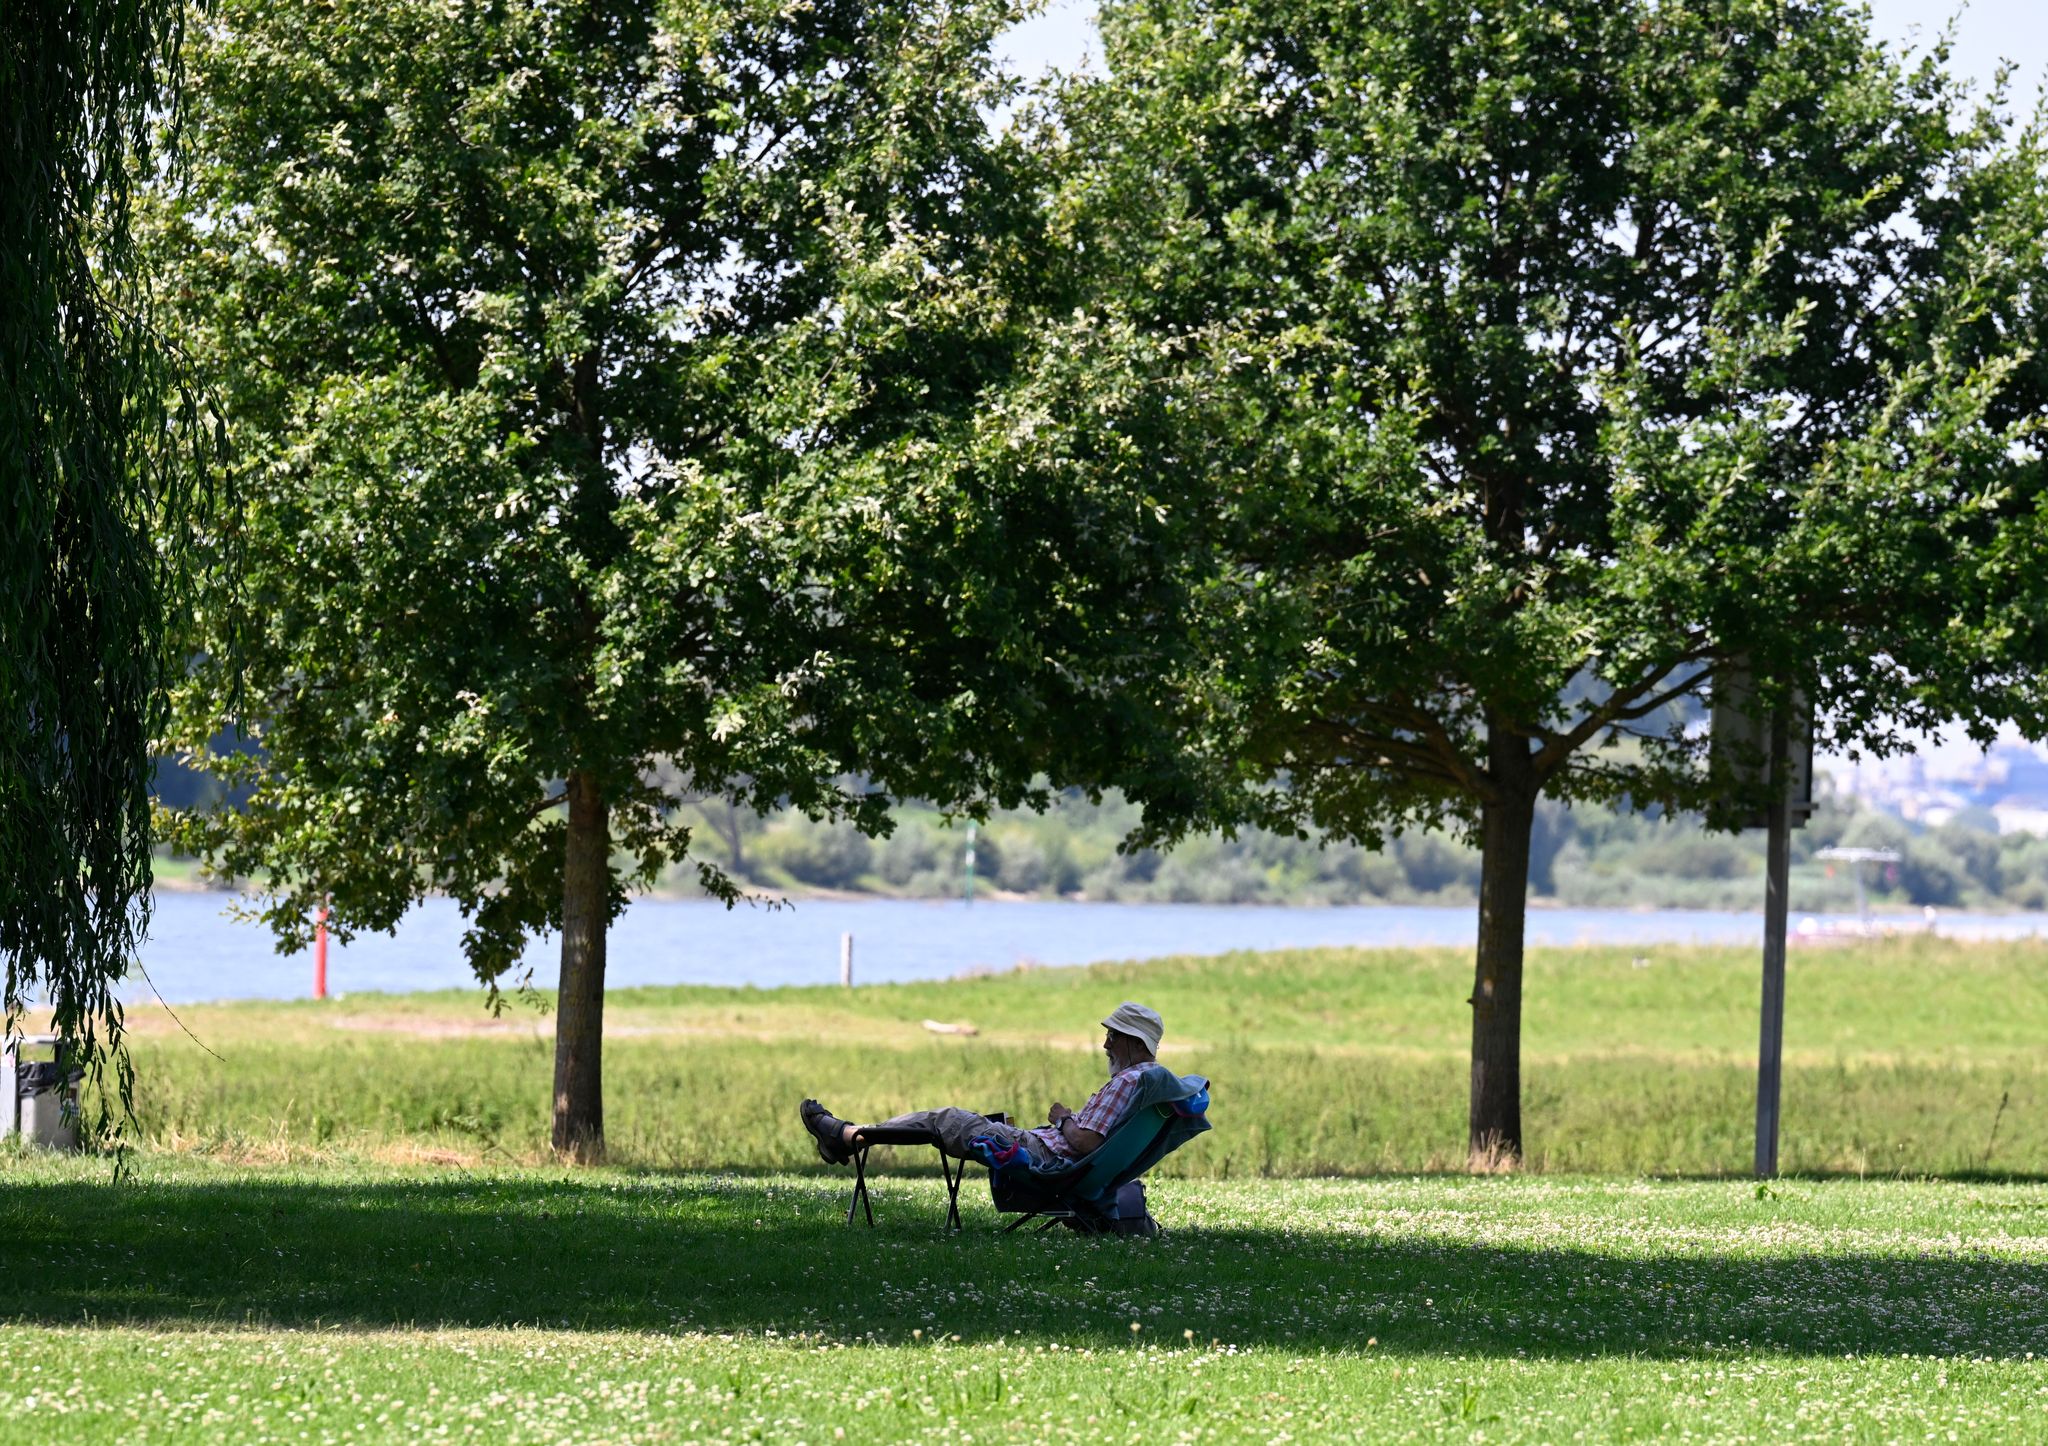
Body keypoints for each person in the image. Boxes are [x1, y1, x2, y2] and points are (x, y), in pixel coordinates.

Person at [800, 1001, 1166, 1166]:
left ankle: (848, 1136)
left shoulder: (1128, 1082)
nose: (1105, 1045)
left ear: (1134, 1043)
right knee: (971, 1120)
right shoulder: (1145, 1082)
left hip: (1042, 1157)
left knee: (943, 1120)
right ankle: (851, 1138)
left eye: (1112, 1037)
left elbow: (1086, 1142)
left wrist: (1062, 1119)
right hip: (1041, 1148)